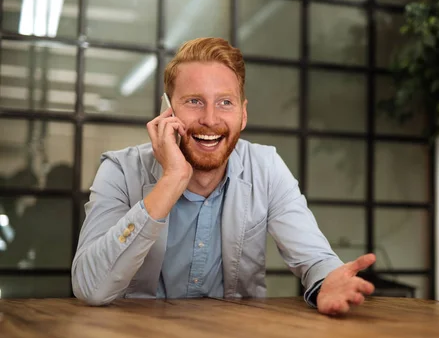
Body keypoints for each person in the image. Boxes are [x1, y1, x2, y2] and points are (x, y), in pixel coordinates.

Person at [72, 37, 376, 315]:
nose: (210, 119)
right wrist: (172, 179)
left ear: (243, 115)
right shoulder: (120, 171)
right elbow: (90, 287)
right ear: (167, 111)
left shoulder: (266, 167)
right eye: (194, 101)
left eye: (225, 102)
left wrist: (327, 281)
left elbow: (314, 258)